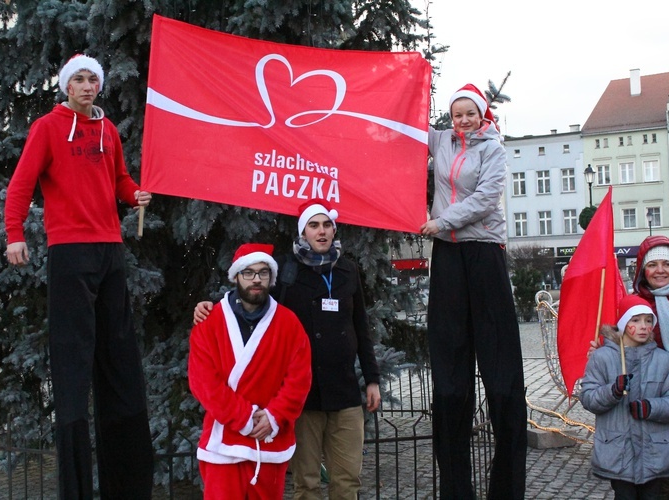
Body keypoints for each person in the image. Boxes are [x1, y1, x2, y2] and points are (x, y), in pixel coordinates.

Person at [4, 54, 154, 499]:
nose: (88, 86)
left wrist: (135, 196)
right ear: (67, 86)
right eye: (80, 79)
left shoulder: (108, 131)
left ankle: (123, 487)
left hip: (110, 250)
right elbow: (20, 184)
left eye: (93, 79)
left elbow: (120, 181)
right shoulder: (48, 128)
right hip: (69, 252)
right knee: (73, 363)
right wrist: (15, 234)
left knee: (118, 357)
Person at [194, 199, 381, 499]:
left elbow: (361, 326)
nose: (321, 232)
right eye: (314, 225)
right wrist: (209, 307)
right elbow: (252, 298)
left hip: (344, 391)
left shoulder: (348, 270)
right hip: (305, 399)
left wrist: (371, 378)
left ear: (334, 230)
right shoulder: (286, 270)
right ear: (303, 232)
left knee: (347, 481)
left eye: (326, 225)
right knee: (306, 483)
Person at [420, 84, 526, 499]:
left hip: (483, 252)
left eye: (469, 113)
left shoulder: (493, 149)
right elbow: (404, 128)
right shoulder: (441, 140)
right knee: (449, 383)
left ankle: (506, 489)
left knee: (501, 379)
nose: (462, 120)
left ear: (482, 115)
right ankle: (455, 491)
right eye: (456, 114)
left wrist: (442, 221)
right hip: (448, 256)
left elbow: (485, 199)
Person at [188, 243, 312, 498]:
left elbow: (299, 379)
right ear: (236, 276)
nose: (256, 279)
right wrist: (244, 418)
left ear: (271, 277)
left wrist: (275, 416)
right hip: (223, 442)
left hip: (269, 441)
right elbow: (203, 382)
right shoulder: (209, 321)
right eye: (249, 272)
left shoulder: (289, 323)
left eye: (263, 273)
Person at [580, 294, 669, 498]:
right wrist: (612, 391)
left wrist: (651, 408)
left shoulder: (664, 360)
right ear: (623, 323)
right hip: (618, 452)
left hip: (654, 453)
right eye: (636, 320)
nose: (643, 326)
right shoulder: (602, 358)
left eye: (648, 320)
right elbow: (588, 397)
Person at [632, 235, 669, 355]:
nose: (660, 270)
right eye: (652, 265)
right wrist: (603, 351)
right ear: (643, 270)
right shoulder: (633, 305)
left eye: (667, 264)